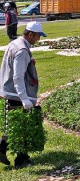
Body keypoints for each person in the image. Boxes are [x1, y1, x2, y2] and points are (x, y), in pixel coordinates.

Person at [0, 21, 46, 168]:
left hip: (11, 92)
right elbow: (18, 77)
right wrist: (24, 98)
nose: (38, 39)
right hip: (16, 93)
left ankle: (7, 152)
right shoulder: (21, 50)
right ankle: (21, 160)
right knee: (21, 127)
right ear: (30, 34)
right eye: (37, 36)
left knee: (15, 125)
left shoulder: (15, 44)